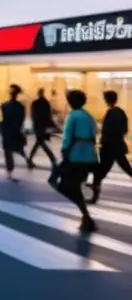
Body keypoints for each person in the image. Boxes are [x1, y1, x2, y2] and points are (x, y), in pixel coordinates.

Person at [55, 89, 98, 233]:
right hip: (89, 156)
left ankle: (86, 215)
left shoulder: (72, 116)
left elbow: (67, 137)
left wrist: (64, 151)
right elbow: (94, 134)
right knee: (74, 185)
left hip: (74, 155)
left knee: (62, 185)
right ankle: (86, 217)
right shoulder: (89, 116)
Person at [91, 90, 132, 203]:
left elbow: (107, 132)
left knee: (99, 173)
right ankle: (94, 195)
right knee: (128, 169)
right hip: (118, 147)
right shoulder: (120, 112)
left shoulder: (111, 113)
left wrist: (102, 142)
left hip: (109, 149)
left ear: (107, 100)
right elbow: (124, 129)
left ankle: (94, 197)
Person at [0, 84, 28, 182]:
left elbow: (4, 119)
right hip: (15, 131)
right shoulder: (21, 107)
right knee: (18, 149)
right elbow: (21, 120)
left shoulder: (4, 106)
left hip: (7, 131)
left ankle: (9, 171)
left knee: (8, 152)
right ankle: (27, 160)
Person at [28, 88, 59, 172]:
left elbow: (33, 115)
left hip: (38, 126)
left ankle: (30, 160)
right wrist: (54, 126)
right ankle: (53, 161)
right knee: (41, 143)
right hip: (42, 126)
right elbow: (48, 116)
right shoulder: (46, 103)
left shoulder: (35, 103)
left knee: (39, 143)